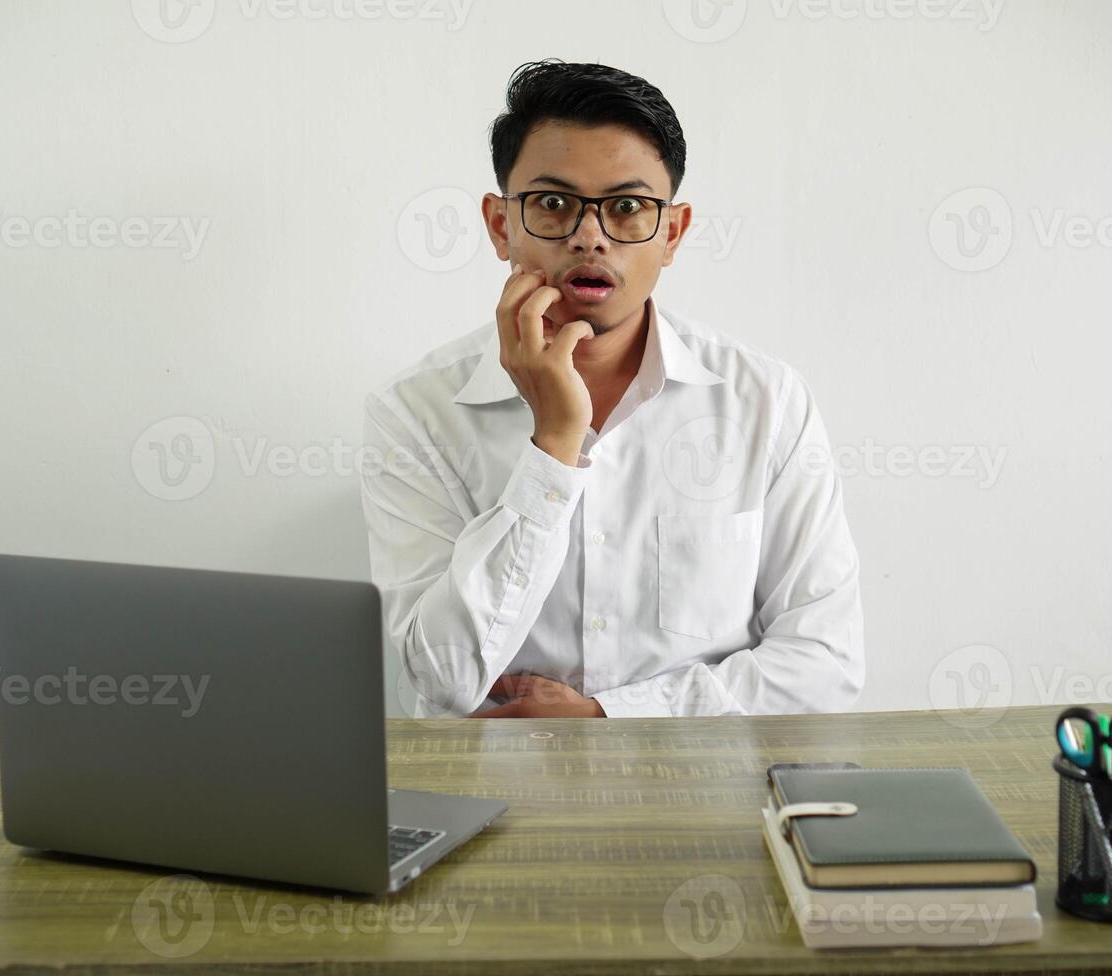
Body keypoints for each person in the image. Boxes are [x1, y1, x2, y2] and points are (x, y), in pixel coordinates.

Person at [360, 60, 864, 718]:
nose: (588, 235)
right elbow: (442, 677)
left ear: (673, 233)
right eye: (552, 203)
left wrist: (609, 719)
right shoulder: (414, 412)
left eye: (627, 208)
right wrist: (554, 445)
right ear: (499, 224)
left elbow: (826, 665)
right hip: (495, 796)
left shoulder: (765, 401)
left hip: (704, 796)